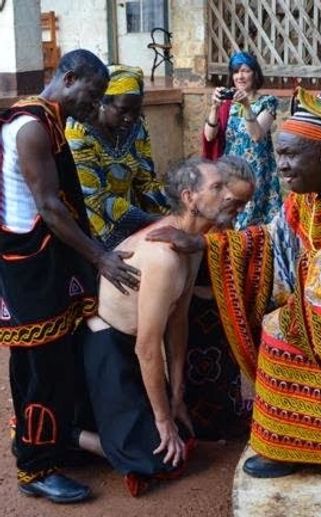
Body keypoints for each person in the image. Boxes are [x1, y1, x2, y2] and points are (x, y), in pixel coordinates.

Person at [147, 87, 321, 478]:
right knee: (275, 326)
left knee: (283, 333)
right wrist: (206, 244)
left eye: (292, 155)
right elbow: (272, 239)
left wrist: (310, 294)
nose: (283, 166)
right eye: (280, 154)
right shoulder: (304, 192)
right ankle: (290, 444)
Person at [0, 49, 139, 504]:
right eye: (92, 94)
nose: (94, 104)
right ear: (69, 76)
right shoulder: (33, 127)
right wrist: (100, 258)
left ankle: (56, 445)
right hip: (28, 265)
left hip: (45, 260)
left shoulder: (48, 122)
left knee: (59, 362)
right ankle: (35, 467)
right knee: (39, 368)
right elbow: (50, 207)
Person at [72, 158, 237, 496]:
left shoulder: (189, 243)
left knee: (183, 437)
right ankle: (67, 433)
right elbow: (147, 348)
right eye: (218, 188)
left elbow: (178, 323)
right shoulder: (163, 256)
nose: (229, 195)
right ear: (190, 198)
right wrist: (163, 421)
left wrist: (176, 397)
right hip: (108, 345)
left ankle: (120, 428)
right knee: (158, 458)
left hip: (133, 348)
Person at [185, 155, 255, 440]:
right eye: (233, 203)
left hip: (218, 308)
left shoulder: (222, 227)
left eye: (242, 205)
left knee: (224, 368)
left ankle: (223, 415)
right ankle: (199, 423)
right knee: (198, 370)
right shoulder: (195, 225)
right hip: (195, 310)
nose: (238, 210)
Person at [66, 64, 169, 250]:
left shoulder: (137, 128)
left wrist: (179, 207)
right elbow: (95, 198)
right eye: (122, 110)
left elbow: (145, 182)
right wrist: (151, 221)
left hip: (131, 215)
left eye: (136, 110)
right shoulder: (78, 132)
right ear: (101, 103)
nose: (130, 118)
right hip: (91, 227)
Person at [203, 51, 281, 229]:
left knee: (252, 221)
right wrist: (215, 107)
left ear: (255, 73)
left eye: (245, 71)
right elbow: (209, 136)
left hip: (256, 171)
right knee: (229, 217)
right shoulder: (227, 103)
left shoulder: (267, 102)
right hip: (230, 170)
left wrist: (247, 106)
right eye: (236, 72)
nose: (240, 76)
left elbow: (256, 135)